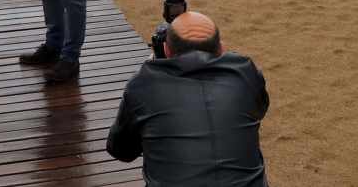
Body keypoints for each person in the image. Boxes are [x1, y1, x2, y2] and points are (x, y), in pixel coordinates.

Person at [106, 11, 271, 186]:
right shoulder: (244, 72)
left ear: (166, 50)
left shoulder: (143, 84)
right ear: (222, 48)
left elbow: (121, 151)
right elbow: (260, 109)